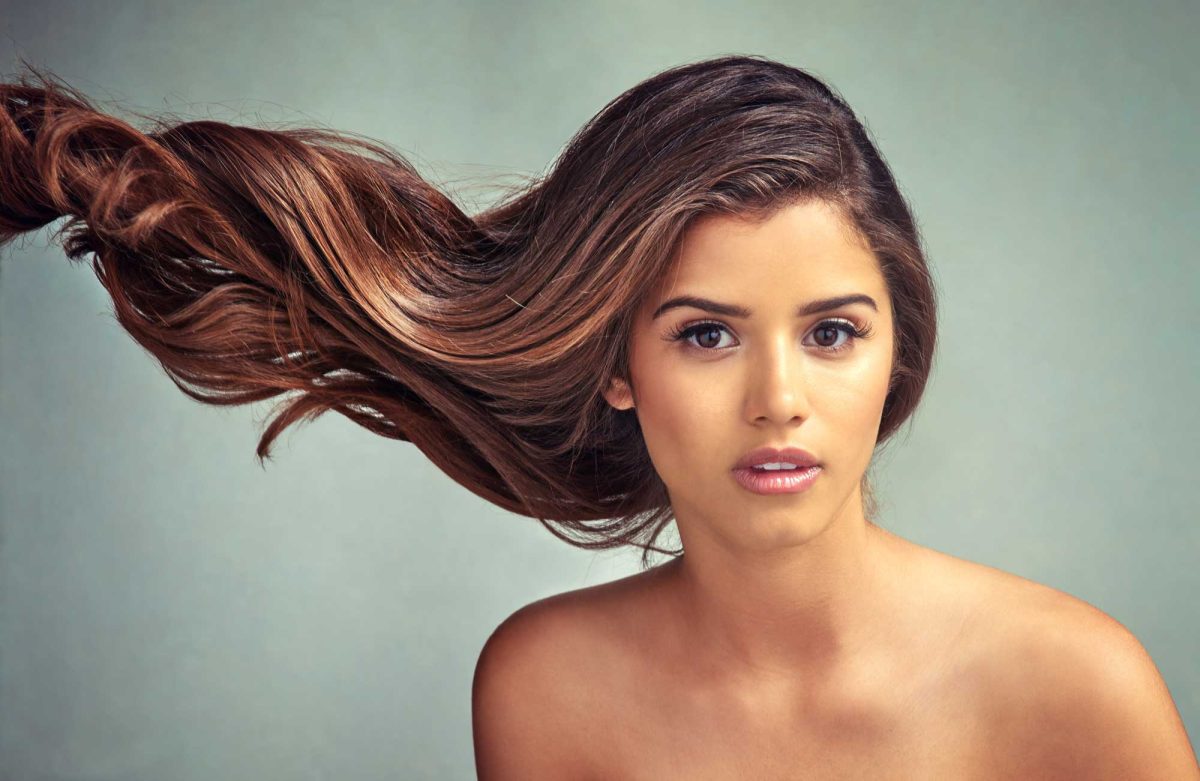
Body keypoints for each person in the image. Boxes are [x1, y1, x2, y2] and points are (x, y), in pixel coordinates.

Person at [1, 54, 1195, 779]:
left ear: (896, 353)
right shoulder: (547, 686)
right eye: (705, 333)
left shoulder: (1076, 684)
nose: (780, 397)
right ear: (617, 364)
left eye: (832, 332)